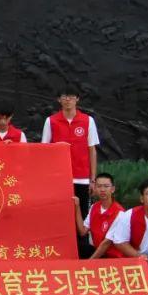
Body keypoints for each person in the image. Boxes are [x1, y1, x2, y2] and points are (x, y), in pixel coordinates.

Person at [41, 86, 100, 217]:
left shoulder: (88, 121)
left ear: (77, 99)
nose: (68, 99)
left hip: (82, 178)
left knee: (82, 215)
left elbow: (92, 150)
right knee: (59, 216)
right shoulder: (51, 121)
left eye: (71, 96)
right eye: (64, 96)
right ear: (59, 99)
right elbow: (44, 151)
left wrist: (93, 180)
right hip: (58, 177)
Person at [74, 172, 123, 259]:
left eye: (106, 186)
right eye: (99, 186)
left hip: (112, 256)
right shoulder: (94, 207)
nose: (102, 189)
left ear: (113, 189)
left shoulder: (120, 213)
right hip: (97, 250)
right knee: (77, 247)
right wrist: (77, 206)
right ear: (95, 188)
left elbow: (106, 244)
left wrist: (90, 263)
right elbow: (82, 231)